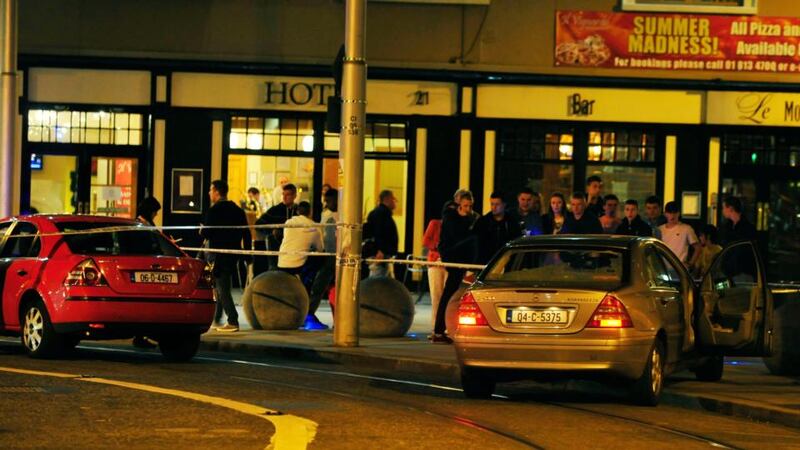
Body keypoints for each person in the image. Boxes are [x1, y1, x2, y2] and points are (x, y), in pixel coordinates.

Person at [201, 180, 251, 332]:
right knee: (222, 285)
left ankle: (233, 320)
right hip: (233, 253)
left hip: (217, 253)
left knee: (222, 287)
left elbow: (207, 232)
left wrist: (202, 230)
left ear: (216, 192)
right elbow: (246, 233)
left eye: (210, 190)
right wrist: (247, 254)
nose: (209, 193)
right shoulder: (237, 210)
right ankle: (217, 317)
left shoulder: (214, 210)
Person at [433, 192, 478, 344]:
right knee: (448, 292)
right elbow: (458, 237)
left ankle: (440, 330)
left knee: (450, 292)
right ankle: (439, 330)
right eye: (466, 206)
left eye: (470, 206)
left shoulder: (469, 217)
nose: (468, 209)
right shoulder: (452, 218)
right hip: (454, 259)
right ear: (459, 204)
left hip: (461, 259)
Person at [132, 196, 162, 349]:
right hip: (143, 266)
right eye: (155, 212)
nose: (156, 215)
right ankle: (141, 335)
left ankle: (142, 334)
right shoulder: (139, 225)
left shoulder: (147, 224)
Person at [308, 188, 339, 330]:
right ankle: (308, 315)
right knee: (319, 287)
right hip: (327, 255)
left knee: (332, 288)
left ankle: (337, 320)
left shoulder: (343, 214)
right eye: (325, 201)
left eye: (329, 200)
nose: (327, 203)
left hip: (337, 255)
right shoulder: (325, 215)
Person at [256, 183, 298, 273]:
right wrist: (272, 230)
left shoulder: (298, 210)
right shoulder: (275, 210)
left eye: (288, 195)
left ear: (294, 196)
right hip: (277, 245)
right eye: (283, 194)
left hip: (293, 246)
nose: (284, 197)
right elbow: (258, 223)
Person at [278, 201, 323, 279]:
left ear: (297, 211)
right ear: (310, 212)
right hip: (298, 266)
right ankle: (310, 287)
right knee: (320, 259)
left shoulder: (289, 222)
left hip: (282, 263)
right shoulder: (314, 227)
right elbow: (320, 249)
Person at [473, 192, 521, 264]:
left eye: (497, 204)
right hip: (486, 262)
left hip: (506, 261)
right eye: (492, 204)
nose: (494, 207)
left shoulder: (512, 222)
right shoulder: (483, 222)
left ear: (504, 205)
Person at [365, 190, 399, 278]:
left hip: (383, 254)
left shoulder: (381, 213)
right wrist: (381, 250)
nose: (395, 202)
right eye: (393, 199)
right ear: (387, 199)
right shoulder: (381, 214)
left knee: (384, 281)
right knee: (378, 280)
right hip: (381, 255)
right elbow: (379, 233)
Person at [423, 217, 447, 339]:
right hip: (435, 262)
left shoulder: (457, 225)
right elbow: (425, 241)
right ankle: (435, 328)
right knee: (436, 296)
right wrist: (438, 245)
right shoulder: (435, 223)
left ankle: (447, 327)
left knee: (448, 297)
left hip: (449, 263)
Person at [658, 201, 700, 267]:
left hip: (680, 267)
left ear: (678, 213)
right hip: (663, 268)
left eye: (674, 213)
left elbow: (697, 247)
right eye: (669, 213)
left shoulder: (686, 229)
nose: (672, 215)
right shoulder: (660, 229)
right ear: (665, 214)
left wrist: (690, 263)